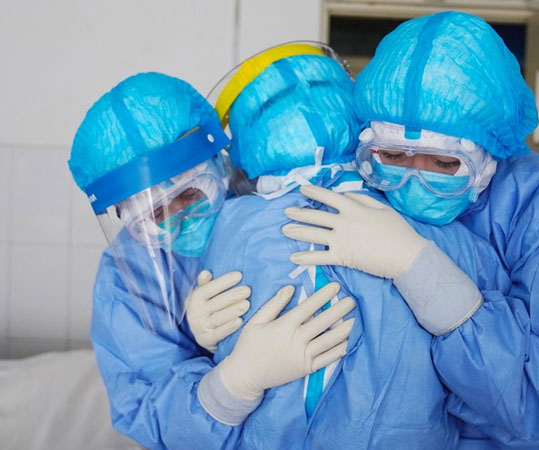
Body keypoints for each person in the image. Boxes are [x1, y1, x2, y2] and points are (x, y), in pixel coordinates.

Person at [282, 12, 539, 449]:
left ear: (489, 153)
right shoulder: (365, 183)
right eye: (394, 156)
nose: (413, 179)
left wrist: (417, 267)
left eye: (443, 163)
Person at [194, 42, 511, 449]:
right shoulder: (430, 222)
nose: (418, 171)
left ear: (242, 140)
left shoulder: (227, 225)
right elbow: (501, 380)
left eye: (443, 164)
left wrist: (212, 356)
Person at [69, 71, 352, 449]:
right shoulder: (127, 277)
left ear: (219, 165)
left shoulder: (275, 203)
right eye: (156, 215)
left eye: (190, 196)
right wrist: (233, 383)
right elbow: (148, 411)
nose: (181, 220)